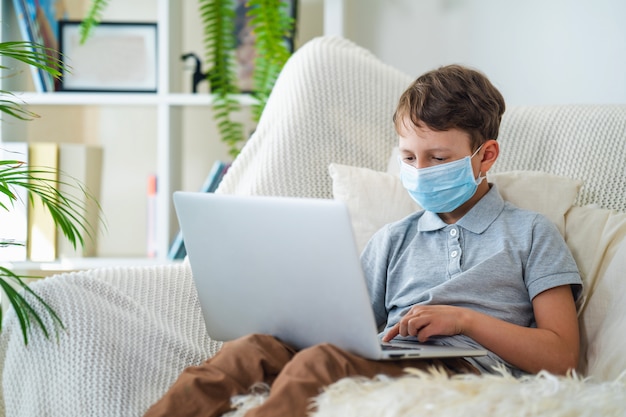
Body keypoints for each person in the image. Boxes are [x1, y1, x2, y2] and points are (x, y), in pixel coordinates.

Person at [144, 64, 582, 417]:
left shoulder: (530, 232)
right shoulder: (394, 239)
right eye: (409, 157)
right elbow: (354, 329)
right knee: (249, 350)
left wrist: (465, 321)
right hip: (390, 356)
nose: (420, 170)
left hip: (464, 368)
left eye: (439, 158)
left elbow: (562, 354)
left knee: (321, 364)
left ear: (485, 155)